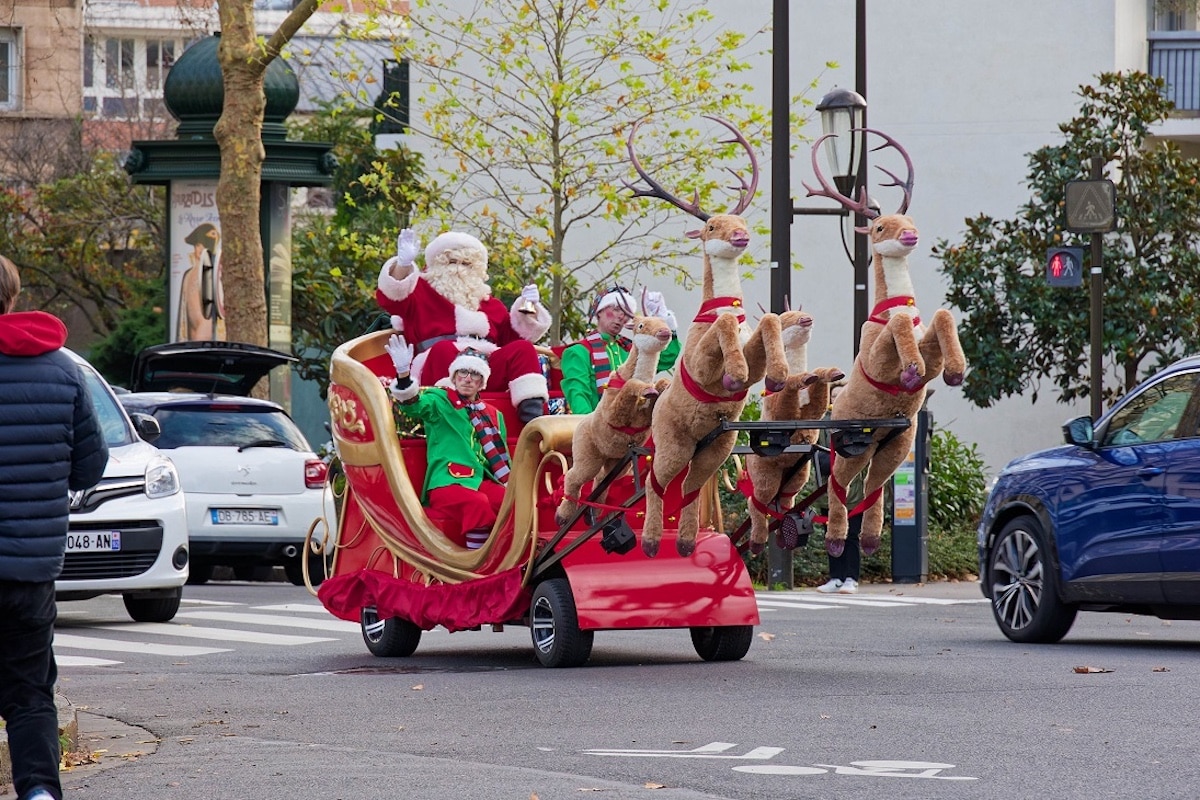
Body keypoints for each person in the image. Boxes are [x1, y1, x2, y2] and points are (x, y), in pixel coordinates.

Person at [0, 254, 108, 800]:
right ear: (13, 297)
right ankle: (39, 792)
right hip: (31, 569)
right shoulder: (63, 370)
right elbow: (91, 466)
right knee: (29, 691)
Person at [376, 228, 550, 423]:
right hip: (438, 366)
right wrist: (403, 265)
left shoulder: (491, 305)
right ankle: (453, 419)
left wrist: (529, 308)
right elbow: (392, 298)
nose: (459, 269)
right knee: (444, 350)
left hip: (484, 370)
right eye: (452, 262)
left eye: (467, 264)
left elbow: (515, 339)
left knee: (523, 349)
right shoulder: (420, 292)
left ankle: (533, 422)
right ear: (436, 265)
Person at [386, 333, 509, 549]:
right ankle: (478, 565)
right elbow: (413, 405)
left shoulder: (493, 414)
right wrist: (404, 374)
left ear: (482, 382)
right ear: (454, 377)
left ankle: (510, 559)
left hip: (481, 480)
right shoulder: (440, 400)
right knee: (477, 504)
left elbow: (499, 458)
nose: (468, 378)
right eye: (463, 372)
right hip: (446, 483)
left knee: (511, 500)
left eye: (475, 374)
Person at [559, 287, 680, 414]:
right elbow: (578, 395)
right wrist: (591, 429)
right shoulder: (578, 352)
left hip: (634, 424)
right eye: (616, 309)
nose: (621, 316)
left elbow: (666, 357)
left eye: (626, 313)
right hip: (598, 426)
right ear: (599, 311)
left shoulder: (631, 348)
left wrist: (664, 321)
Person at [816, 382, 861, 594]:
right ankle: (835, 577)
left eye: (840, 394)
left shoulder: (857, 420)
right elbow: (819, 456)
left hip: (855, 490)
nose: (836, 399)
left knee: (851, 535)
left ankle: (851, 577)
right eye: (833, 395)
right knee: (832, 534)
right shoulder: (824, 423)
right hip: (829, 489)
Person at [177, 222, 224, 341]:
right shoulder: (187, 275)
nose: (201, 249)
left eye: (206, 245)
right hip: (189, 338)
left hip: (205, 337)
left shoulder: (215, 274)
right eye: (198, 244)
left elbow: (208, 316)